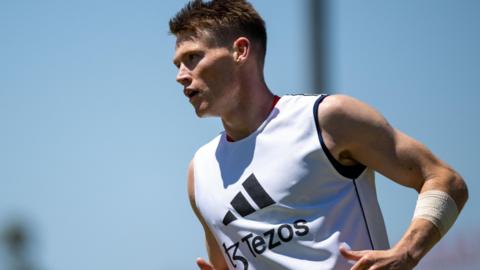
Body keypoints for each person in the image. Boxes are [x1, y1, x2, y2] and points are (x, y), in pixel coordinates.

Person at [169, 1, 469, 269]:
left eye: (193, 57)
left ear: (240, 51)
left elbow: (445, 181)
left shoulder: (327, 119)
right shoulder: (200, 172)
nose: (181, 74)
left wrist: (407, 253)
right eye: (178, 64)